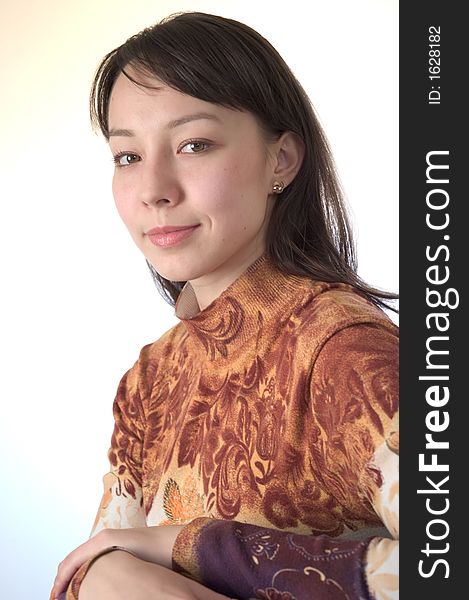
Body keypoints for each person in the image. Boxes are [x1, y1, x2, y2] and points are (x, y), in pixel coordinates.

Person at [51, 11, 399, 600]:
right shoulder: (150, 381)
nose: (155, 189)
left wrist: (192, 545)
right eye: (127, 156)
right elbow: (91, 569)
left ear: (281, 161)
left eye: (194, 144)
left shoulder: (343, 355)